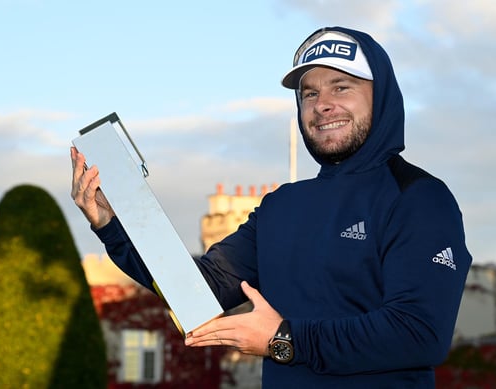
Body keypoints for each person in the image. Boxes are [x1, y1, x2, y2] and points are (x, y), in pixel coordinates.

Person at [71, 26, 472, 388]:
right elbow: (196, 290)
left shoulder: (419, 198)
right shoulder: (281, 207)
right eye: (310, 93)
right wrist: (115, 224)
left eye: (341, 87)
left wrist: (283, 340)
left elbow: (419, 333)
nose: (323, 104)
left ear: (380, 95)